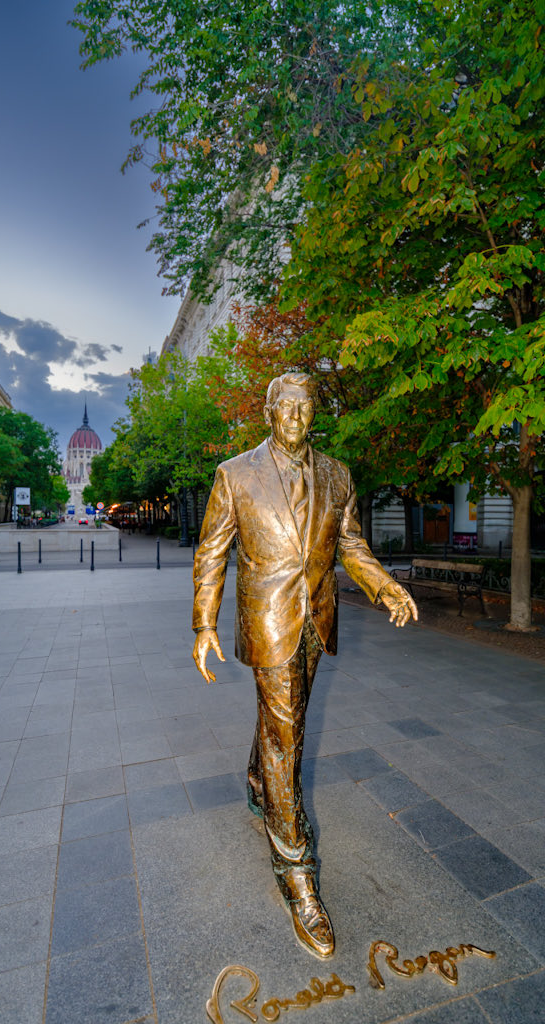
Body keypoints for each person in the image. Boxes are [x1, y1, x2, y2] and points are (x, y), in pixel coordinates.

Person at [192, 371, 417, 959]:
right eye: (286, 406)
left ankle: (256, 781)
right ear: (269, 412)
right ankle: (296, 872)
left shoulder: (337, 475)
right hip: (267, 620)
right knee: (286, 735)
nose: (296, 415)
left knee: (283, 722)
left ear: (315, 412)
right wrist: (204, 623)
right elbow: (212, 550)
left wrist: (385, 585)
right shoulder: (235, 474)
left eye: (305, 406)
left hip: (316, 619)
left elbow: (351, 546)